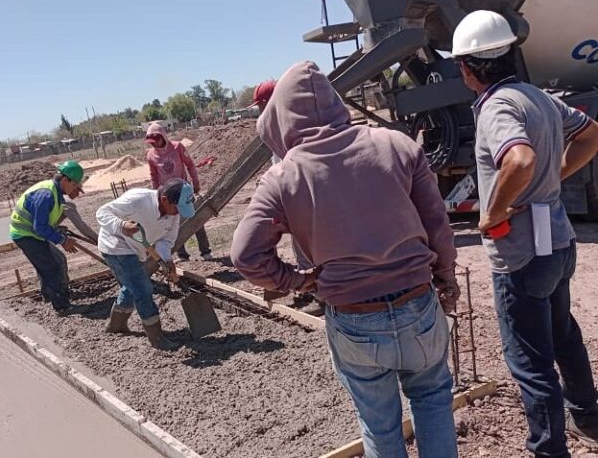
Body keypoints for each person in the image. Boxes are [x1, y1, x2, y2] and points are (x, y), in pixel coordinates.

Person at [231, 61, 459, 457]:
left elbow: (246, 255)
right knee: (433, 399)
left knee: (379, 424)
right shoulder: (397, 145)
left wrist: (298, 281)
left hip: (353, 318)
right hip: (418, 304)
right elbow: (438, 224)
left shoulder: (283, 178)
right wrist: (446, 278)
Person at [452, 10, 598, 455]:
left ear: (467, 67)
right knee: (563, 335)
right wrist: (557, 174)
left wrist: (490, 212)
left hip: (520, 257)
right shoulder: (537, 96)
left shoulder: (496, 106)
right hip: (558, 245)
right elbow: (591, 134)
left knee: (530, 360)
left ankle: (548, 449)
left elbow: (518, 160)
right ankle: (589, 418)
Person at [252, 79, 323, 315]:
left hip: (301, 193)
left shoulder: (290, 126)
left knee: (308, 248)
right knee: (298, 245)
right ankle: (305, 286)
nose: (260, 112)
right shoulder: (276, 125)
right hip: (291, 193)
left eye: (262, 106)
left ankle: (318, 294)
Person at [97, 178, 195, 350]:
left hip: (136, 249)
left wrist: (168, 262)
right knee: (142, 288)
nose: (177, 214)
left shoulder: (172, 215)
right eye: (177, 209)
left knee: (133, 284)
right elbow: (102, 212)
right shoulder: (138, 199)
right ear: (164, 199)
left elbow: (165, 241)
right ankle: (157, 338)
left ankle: (116, 324)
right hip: (116, 245)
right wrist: (121, 225)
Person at [9, 160, 88, 316]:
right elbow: (39, 227)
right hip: (25, 235)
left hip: (32, 233)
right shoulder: (46, 194)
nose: (74, 190)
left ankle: (50, 297)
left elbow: (44, 221)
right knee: (51, 266)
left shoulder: (55, 193)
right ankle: (62, 307)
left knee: (57, 260)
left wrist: (57, 229)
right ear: (65, 180)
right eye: (74, 185)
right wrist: (63, 240)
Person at [145, 121, 213, 262]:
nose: (155, 144)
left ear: (163, 136)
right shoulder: (151, 155)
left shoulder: (177, 147)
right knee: (172, 225)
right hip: (168, 198)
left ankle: (205, 251)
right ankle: (182, 254)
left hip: (184, 191)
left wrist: (196, 183)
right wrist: (156, 195)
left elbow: (190, 165)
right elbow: (154, 176)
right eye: (153, 142)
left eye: (157, 140)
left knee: (195, 220)